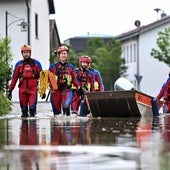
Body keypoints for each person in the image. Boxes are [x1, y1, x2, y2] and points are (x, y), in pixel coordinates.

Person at [7, 45, 43, 117]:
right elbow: (14, 79)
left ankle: (33, 127)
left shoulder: (36, 64)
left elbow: (42, 78)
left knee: (32, 110)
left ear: (30, 53)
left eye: (27, 52)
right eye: (24, 52)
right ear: (22, 54)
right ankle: (24, 127)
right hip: (22, 91)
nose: (26, 54)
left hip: (33, 90)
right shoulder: (18, 65)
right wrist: (10, 90)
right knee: (24, 112)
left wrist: (43, 91)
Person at [48, 45, 81, 118]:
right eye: (62, 54)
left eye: (65, 53)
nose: (63, 55)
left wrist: (79, 88)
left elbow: (74, 80)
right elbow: (48, 80)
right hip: (55, 92)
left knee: (66, 107)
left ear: (67, 55)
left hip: (67, 90)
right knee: (57, 115)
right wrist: (45, 90)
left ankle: (67, 125)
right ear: (58, 55)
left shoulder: (71, 67)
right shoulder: (52, 67)